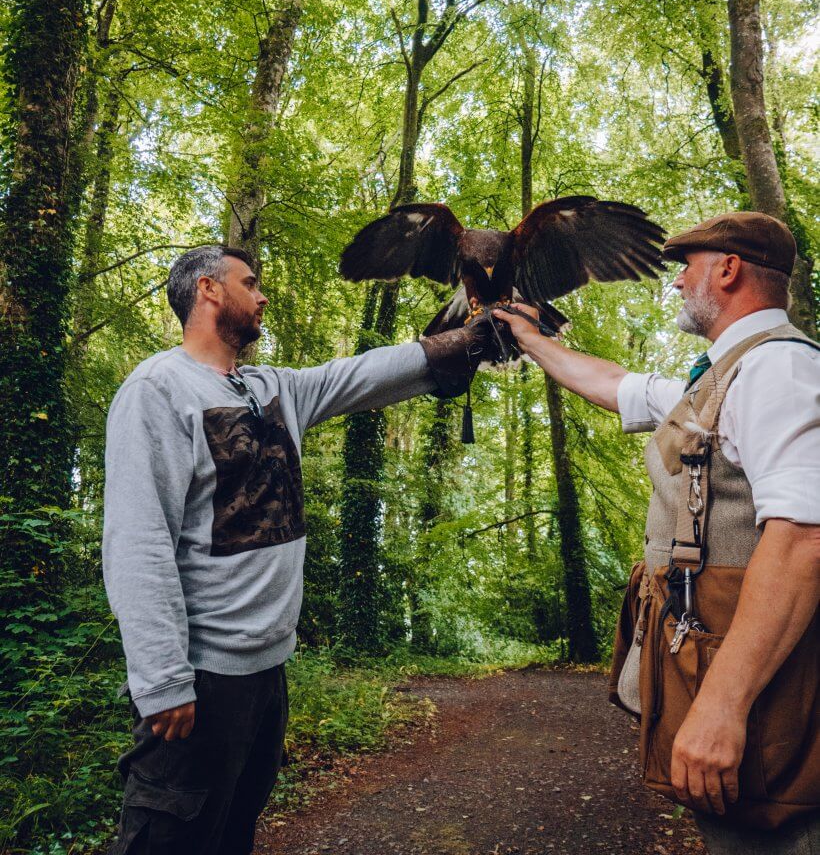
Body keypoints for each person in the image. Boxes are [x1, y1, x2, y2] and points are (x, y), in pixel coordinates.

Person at [103, 243, 501, 855]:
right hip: (202, 676)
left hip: (267, 672)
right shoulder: (158, 390)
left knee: (234, 832)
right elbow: (137, 540)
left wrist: (465, 341)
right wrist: (161, 680)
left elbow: (358, 375)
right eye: (250, 282)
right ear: (208, 290)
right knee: (172, 835)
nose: (262, 296)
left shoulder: (269, 388)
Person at [494, 211, 820, 855]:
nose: (674, 283)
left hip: (759, 683)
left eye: (686, 267)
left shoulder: (778, 371)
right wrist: (528, 336)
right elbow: (618, 386)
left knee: (779, 831)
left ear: (727, 270)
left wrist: (723, 704)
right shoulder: (727, 374)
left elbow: (805, 538)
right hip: (724, 657)